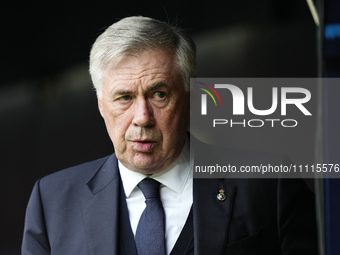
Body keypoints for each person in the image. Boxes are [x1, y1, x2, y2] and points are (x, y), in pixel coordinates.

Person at [22, 16, 318, 255]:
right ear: (101, 105)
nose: (142, 117)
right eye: (124, 97)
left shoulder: (268, 183)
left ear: (189, 97)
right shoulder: (52, 201)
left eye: (159, 94)